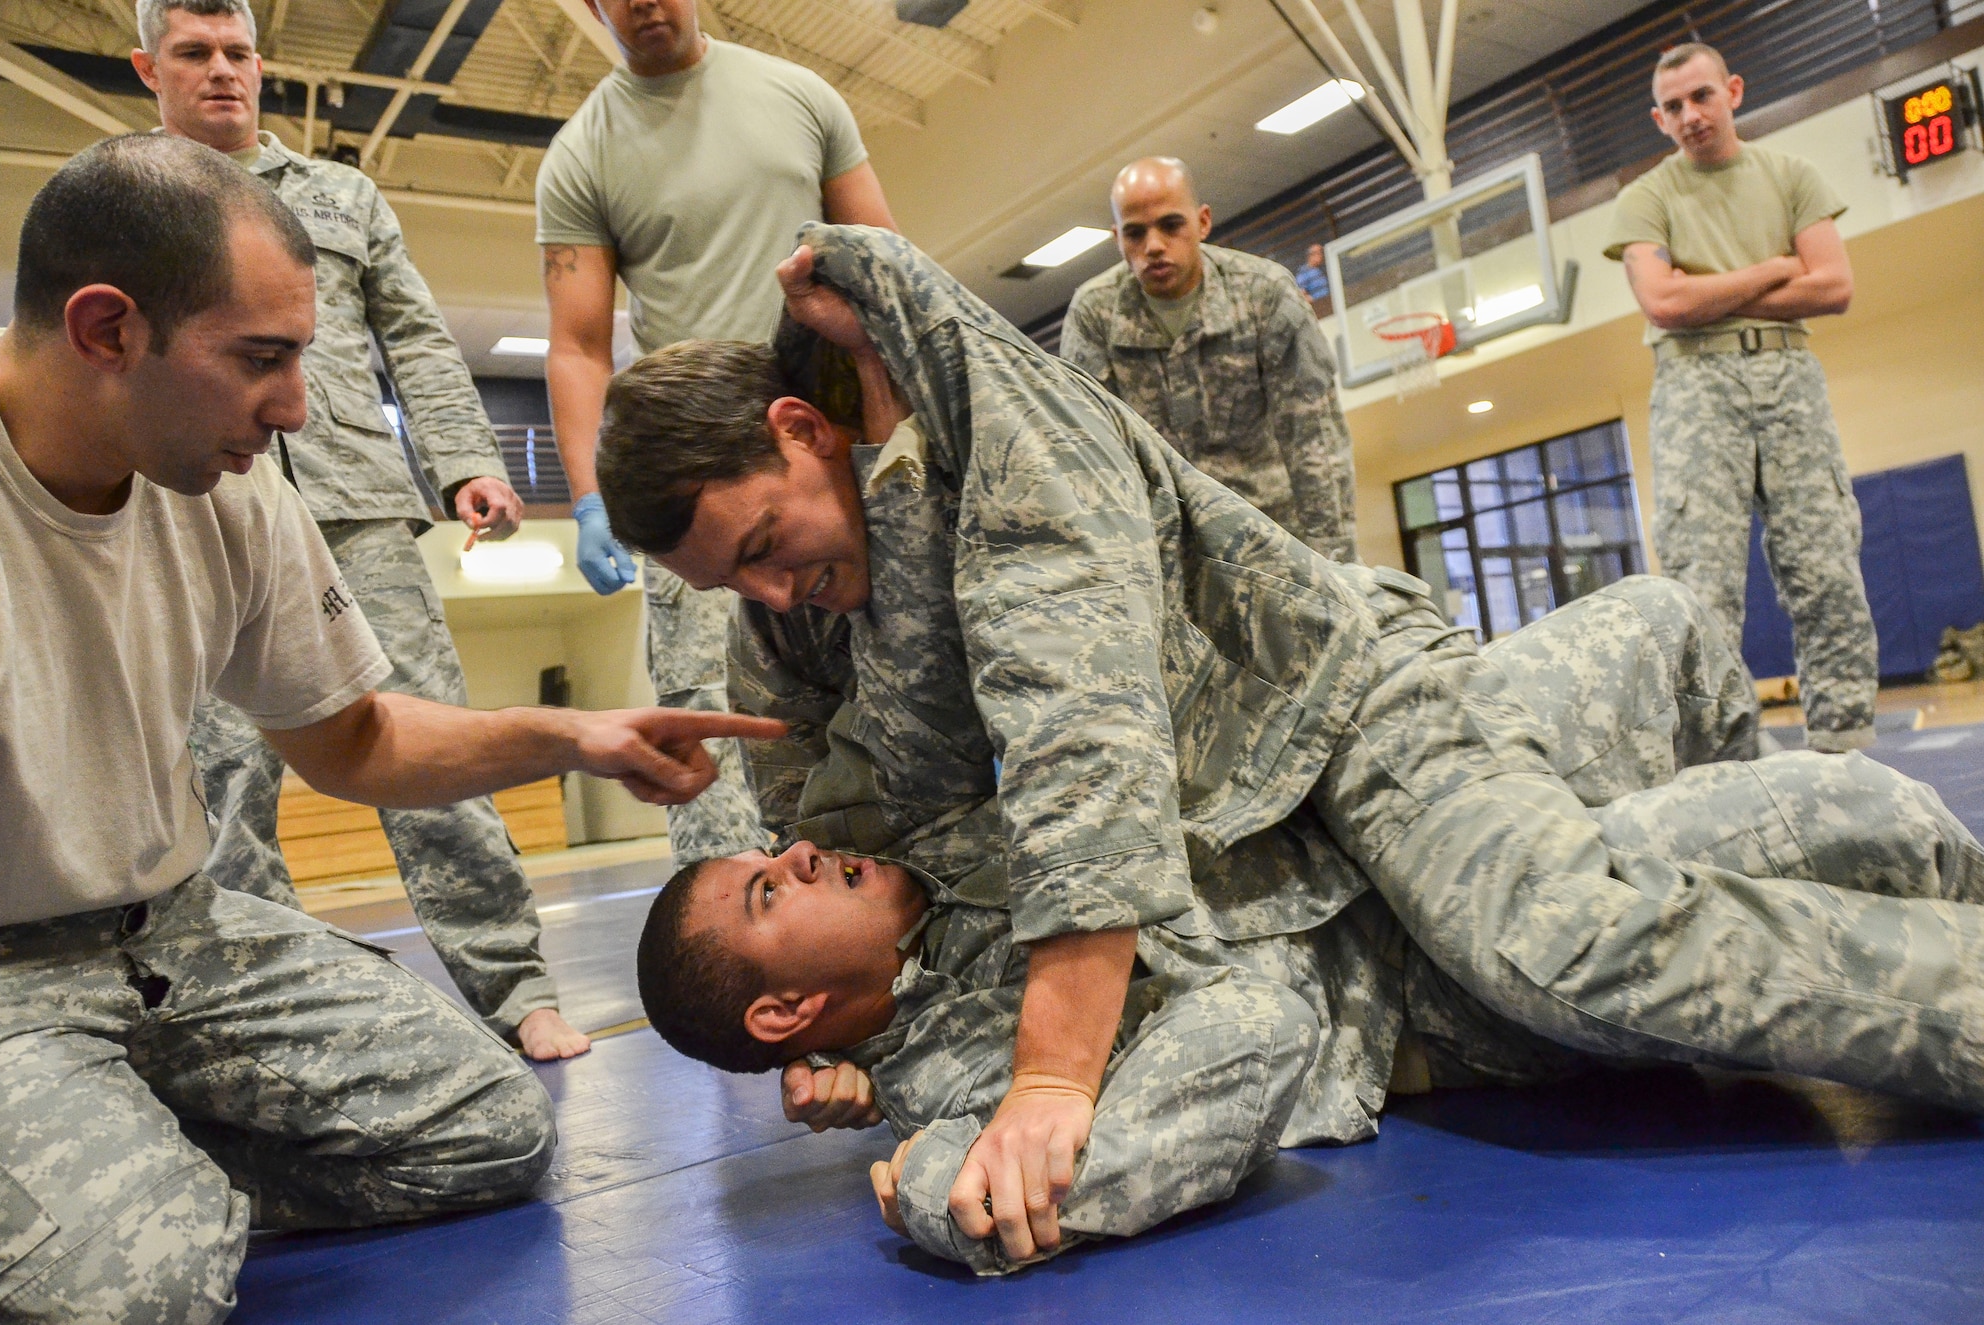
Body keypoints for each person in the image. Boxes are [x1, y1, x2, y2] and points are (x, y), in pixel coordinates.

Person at [594, 222, 1984, 1276]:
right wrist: (832, 1048)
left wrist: (1053, 1078)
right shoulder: (803, 615)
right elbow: (825, 808)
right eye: (736, 584)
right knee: (1794, 829)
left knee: (1550, 943)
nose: (768, 598)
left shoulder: (1016, 462)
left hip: (1343, 719)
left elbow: (1082, 740)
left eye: (766, 549)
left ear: (801, 431)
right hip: (1286, 842)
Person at [0, 133, 781, 1324]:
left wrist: (574, 737)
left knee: (489, 1127)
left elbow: (353, 738)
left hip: (170, 937)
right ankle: (109, 1203)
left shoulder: (233, 489)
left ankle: (136, 1173)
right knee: (141, 1289)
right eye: (262, 359)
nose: (297, 408)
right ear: (107, 330)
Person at [638, 577, 1984, 1273]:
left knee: (1673, 622)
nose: (800, 853)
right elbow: (1252, 1036)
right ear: (782, 1012)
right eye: (771, 891)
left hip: (1374, 781)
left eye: (773, 858)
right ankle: (1712, 904)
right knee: (1863, 815)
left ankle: (1696, 870)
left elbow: (819, 699)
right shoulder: (970, 1086)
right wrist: (944, 1196)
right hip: (1408, 959)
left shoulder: (902, 846)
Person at [130, 0, 591, 1060]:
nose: (222, 74)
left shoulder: (340, 194)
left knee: (428, 744)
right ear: (147, 66)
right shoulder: (123, 199)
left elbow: (416, 339)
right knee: (224, 783)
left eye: (238, 54)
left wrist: (468, 460)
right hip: (192, 511)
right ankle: (273, 1021)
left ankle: (514, 984)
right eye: (194, 55)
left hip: (356, 507)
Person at [536, 0, 896, 866]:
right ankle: (750, 943)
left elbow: (888, 270)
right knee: (720, 732)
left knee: (891, 690)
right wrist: (591, 498)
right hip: (698, 482)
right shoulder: (582, 153)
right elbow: (579, 348)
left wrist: (900, 442)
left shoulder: (801, 96)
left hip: (822, 462)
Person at [1605, 41, 1876, 753]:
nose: (1690, 115)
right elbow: (1663, 302)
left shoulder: (1792, 176)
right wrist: (1778, 267)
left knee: (1825, 569)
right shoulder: (1646, 198)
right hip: (1695, 384)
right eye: (1673, 106)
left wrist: (1711, 288)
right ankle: (1724, 760)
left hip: (1790, 379)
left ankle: (1843, 745)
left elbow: (1834, 286)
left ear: (1734, 90)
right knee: (1704, 586)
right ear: (1658, 119)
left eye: (1701, 97)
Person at [1059, 157, 1357, 561]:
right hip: (1167, 552)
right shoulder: (1094, 315)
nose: (1154, 246)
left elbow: (1314, 438)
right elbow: (1093, 453)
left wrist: (1335, 565)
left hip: (1272, 540)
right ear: (1117, 239)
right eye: (1135, 233)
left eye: (1170, 225)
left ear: (1202, 222)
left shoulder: (1264, 294)